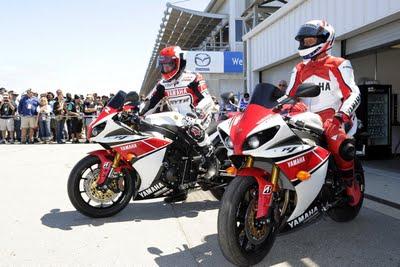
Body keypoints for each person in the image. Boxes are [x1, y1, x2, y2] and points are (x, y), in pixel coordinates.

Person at [286, 20, 361, 206]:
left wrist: (339, 117)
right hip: (303, 118)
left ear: (325, 40)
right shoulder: (298, 68)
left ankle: (350, 183)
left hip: (332, 117)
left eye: (310, 41)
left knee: (340, 143)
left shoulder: (339, 64)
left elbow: (353, 93)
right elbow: (289, 96)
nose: (305, 45)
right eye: (303, 41)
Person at [141, 45, 216, 203]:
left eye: (169, 64)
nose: (165, 67)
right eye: (163, 64)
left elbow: (207, 99)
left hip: (199, 116)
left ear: (179, 62)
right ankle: (179, 188)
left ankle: (211, 161)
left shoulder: (193, 78)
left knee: (192, 127)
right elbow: (151, 103)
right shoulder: (163, 83)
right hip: (179, 121)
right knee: (171, 151)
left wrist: (196, 113)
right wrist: (138, 115)